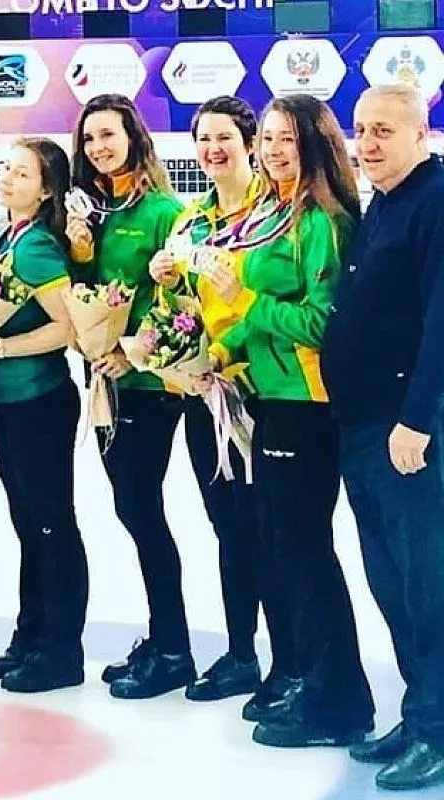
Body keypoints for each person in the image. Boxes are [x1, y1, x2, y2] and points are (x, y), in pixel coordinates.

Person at [202, 94, 373, 748]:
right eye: (268, 138)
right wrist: (219, 354)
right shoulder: (274, 210)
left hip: (308, 405)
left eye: (287, 140)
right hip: (267, 400)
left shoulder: (323, 220)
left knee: (305, 555)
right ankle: (315, 686)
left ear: (315, 145)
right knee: (283, 551)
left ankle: (339, 707)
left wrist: (244, 301)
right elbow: (255, 313)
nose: (273, 150)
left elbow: (322, 323)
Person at [150, 95, 292, 705]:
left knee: (271, 530)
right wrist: (165, 284)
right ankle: (240, 654)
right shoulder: (191, 222)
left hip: (264, 395)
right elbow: (179, 311)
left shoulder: (274, 213)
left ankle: (290, 662)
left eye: (224, 138)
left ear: (250, 143)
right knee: (228, 528)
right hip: (205, 397)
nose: (212, 150)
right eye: (203, 139)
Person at [322, 83, 444, 790]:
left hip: (407, 430)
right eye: (361, 129)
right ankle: (419, 711)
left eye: (384, 131)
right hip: (364, 425)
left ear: (421, 136)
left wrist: (417, 419)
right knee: (390, 580)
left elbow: (441, 320)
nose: (366, 143)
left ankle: (437, 730)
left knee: (426, 585)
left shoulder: (434, 201)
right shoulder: (385, 202)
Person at [67, 94, 193, 699]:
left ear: (134, 138)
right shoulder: (91, 212)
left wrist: (132, 352)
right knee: (131, 508)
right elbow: (84, 295)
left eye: (108, 135)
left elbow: (180, 303)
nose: (98, 147)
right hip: (104, 383)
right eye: (89, 138)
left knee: (143, 509)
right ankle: (163, 637)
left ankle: (173, 649)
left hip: (149, 385)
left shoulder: (165, 211)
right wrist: (80, 251)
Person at [0, 137, 85, 693]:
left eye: (22, 173)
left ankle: (61, 651)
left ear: (47, 188)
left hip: (41, 401)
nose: (7, 179)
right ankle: (31, 636)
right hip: (7, 403)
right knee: (28, 524)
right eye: (6, 169)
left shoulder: (37, 248)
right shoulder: (3, 238)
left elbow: (68, 328)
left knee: (52, 524)